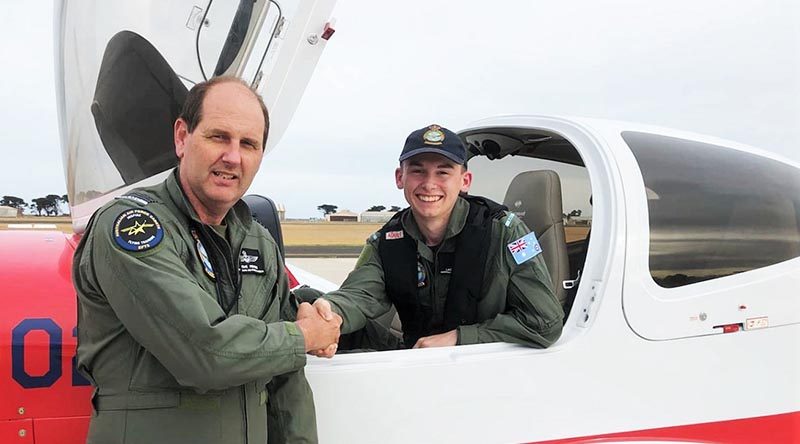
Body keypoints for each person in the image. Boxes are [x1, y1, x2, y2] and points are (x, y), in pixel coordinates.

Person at [73, 76, 340, 444]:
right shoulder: (133, 229)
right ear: (182, 137)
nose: (233, 157)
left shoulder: (258, 243)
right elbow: (204, 351)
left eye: (249, 144)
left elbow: (284, 382)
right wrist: (305, 335)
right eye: (219, 137)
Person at [314, 124, 564, 350]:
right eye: (418, 171)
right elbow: (360, 293)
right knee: (308, 302)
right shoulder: (388, 241)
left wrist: (459, 337)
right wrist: (331, 312)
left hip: (483, 367)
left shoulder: (505, 232)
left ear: (464, 181)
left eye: (443, 173)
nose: (429, 184)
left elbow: (546, 322)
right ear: (400, 178)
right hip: (416, 358)